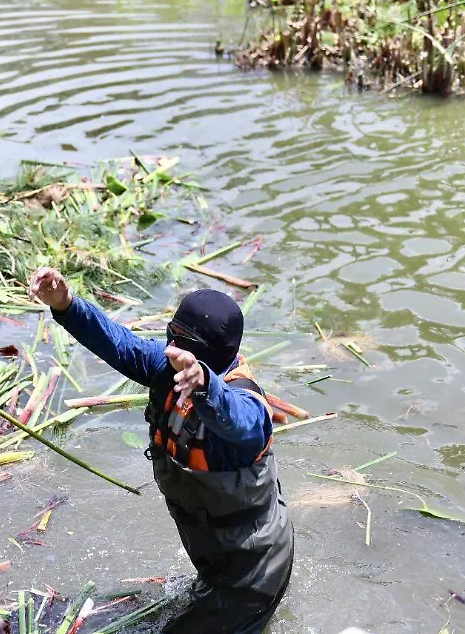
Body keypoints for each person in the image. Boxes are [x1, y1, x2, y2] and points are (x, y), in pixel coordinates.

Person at [28, 267, 294, 634]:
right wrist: (66, 305)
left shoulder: (244, 409)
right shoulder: (167, 366)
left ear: (213, 355)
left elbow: (240, 419)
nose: (172, 348)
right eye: (173, 333)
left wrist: (205, 386)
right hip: (214, 556)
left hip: (253, 574)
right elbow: (117, 343)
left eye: (186, 342)